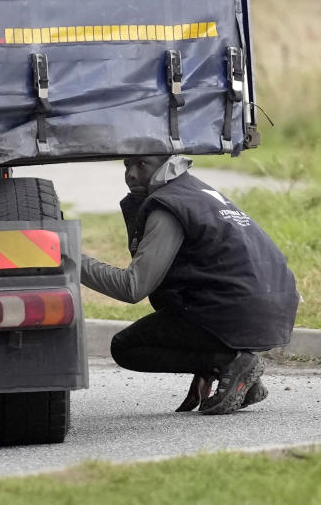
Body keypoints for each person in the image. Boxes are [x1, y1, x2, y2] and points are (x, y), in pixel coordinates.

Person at [81, 155, 299, 415]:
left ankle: (231, 362)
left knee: (126, 347)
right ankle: (241, 378)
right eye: (127, 164)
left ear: (165, 164)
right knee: (174, 318)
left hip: (235, 308)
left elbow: (133, 287)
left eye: (142, 165)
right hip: (271, 304)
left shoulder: (167, 206)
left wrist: (71, 259)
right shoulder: (195, 190)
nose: (130, 174)